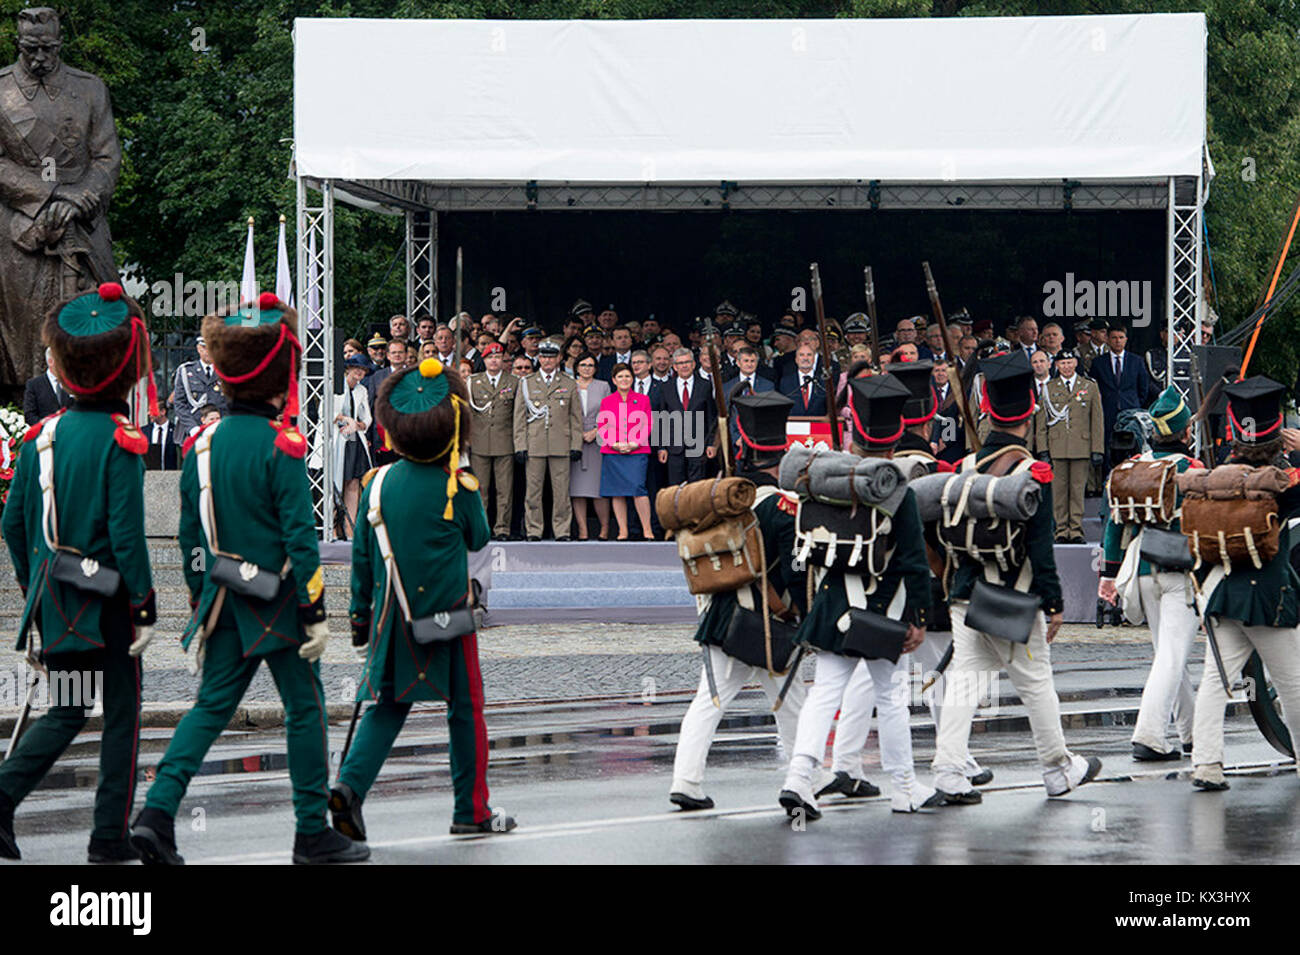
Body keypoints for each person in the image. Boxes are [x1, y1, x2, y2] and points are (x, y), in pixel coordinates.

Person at [131, 292, 366, 866]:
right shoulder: (282, 445)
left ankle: (156, 813)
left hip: (222, 599)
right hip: (280, 601)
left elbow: (190, 539)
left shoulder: (200, 445)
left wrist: (200, 599)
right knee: (306, 709)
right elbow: (299, 538)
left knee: (208, 709)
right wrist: (314, 610)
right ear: (279, 376)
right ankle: (311, 830)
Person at [0, 282, 158, 863]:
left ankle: (2, 797)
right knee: (122, 713)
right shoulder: (122, 439)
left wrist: (33, 583)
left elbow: (14, 526)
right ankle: (107, 837)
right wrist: (144, 604)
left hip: (56, 598)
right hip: (110, 600)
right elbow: (124, 535)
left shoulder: (41, 437)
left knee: (66, 708)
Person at [328, 356, 516, 842]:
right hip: (449, 617)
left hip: (392, 618)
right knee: (465, 708)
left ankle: (349, 787)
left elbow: (362, 560)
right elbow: (480, 543)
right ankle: (471, 811)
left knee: (387, 705)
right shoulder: (460, 485)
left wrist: (358, 620)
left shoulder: (378, 484)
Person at [931, 350, 1102, 805]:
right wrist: (1055, 601)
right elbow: (1041, 548)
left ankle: (948, 769)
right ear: (1030, 409)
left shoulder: (966, 467)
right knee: (1036, 681)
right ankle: (1058, 768)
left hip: (967, 593)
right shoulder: (1033, 472)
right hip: (1014, 596)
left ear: (987, 407)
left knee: (965, 682)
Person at [778, 374, 941, 818]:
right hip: (882, 607)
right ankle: (905, 786)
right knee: (889, 698)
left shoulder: (831, 479)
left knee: (825, 692)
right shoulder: (899, 490)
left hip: (834, 602)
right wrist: (920, 617)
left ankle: (799, 777)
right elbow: (913, 561)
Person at [669, 391, 806, 810]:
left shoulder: (722, 500)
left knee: (708, 701)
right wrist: (804, 614)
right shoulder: (786, 508)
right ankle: (803, 783)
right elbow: (797, 572)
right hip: (770, 622)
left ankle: (686, 782)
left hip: (722, 615)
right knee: (792, 704)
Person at [1186, 377, 1300, 791]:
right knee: (1294, 685)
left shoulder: (1216, 479)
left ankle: (1207, 765)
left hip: (1221, 594)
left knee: (1216, 682)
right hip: (1270, 598)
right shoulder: (1281, 486)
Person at [1098, 386, 1200, 760]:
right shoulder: (1192, 469)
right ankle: (1149, 735)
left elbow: (1113, 525)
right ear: (1186, 433)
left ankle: (1192, 734)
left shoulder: (1131, 467)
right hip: (1179, 572)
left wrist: (1107, 576)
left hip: (1141, 570)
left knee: (1170, 655)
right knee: (1171, 658)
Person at [514, 338, 583, 541]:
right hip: (534, 444)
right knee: (533, 492)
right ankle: (534, 530)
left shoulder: (569, 383)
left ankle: (562, 530)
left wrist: (576, 445)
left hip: (561, 443)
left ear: (559, 358)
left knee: (561, 492)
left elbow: (575, 418)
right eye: (543, 356)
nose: (547, 361)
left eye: (551, 357)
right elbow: (519, 418)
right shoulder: (527, 383)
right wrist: (520, 445)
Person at [1035, 349, 1103, 543]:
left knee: (1077, 490)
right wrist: (1043, 449)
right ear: (1056, 365)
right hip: (1056, 446)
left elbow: (1097, 421)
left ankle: (1076, 530)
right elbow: (1041, 422)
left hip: (1081, 446)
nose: (1066, 367)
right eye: (1062, 363)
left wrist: (1097, 449)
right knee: (1059, 491)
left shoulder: (1089, 387)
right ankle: (1061, 530)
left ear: (1076, 363)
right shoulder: (1049, 388)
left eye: (1069, 362)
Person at [467, 342, 518, 541]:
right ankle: (481, 528)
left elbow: (517, 414)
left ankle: (502, 529)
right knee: (480, 490)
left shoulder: (514, 382)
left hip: (505, 442)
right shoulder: (473, 381)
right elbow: (468, 413)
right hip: (479, 442)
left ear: (503, 360)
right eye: (490, 357)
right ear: (484, 360)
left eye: (497, 357)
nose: (494, 361)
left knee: (505, 490)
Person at [598, 363, 653, 540]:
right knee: (617, 491)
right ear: (614, 380)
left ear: (633, 379)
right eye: (620, 377)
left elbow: (647, 424)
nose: (624, 380)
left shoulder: (643, 399)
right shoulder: (607, 401)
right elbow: (603, 425)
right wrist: (614, 443)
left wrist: (634, 443)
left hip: (637, 451)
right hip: (613, 452)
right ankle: (623, 531)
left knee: (638, 489)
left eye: (627, 376)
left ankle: (647, 530)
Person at [1092, 324, 1157, 472]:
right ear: (1107, 340)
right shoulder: (1098, 363)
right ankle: (1109, 481)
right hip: (1107, 413)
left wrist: (1134, 406)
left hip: (1131, 413)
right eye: (1114, 338)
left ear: (1126, 340)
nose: (1117, 341)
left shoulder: (1137, 361)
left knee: (1133, 448)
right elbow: (1094, 390)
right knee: (1108, 448)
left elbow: (1143, 389)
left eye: (1121, 338)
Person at [658, 348, 716, 485]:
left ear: (694, 364)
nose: (684, 366)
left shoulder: (705, 385)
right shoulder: (666, 387)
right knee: (676, 489)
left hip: (698, 446)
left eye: (687, 362)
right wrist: (661, 447)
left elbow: (711, 417)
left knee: (696, 488)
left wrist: (711, 444)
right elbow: (661, 418)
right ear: (675, 367)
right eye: (680, 363)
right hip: (674, 447)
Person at [569, 352, 611, 540]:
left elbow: (610, 413)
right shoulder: (569, 385)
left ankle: (604, 529)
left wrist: (596, 431)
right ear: (576, 367)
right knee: (576, 489)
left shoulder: (603, 386)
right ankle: (583, 529)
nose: (587, 368)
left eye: (590, 365)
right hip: (573, 441)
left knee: (598, 489)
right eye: (583, 365)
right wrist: (577, 434)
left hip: (597, 442)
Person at [334, 353, 373, 539]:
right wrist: (344, 419)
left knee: (353, 483)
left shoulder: (361, 391)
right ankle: (333, 527)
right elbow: (326, 412)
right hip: (337, 439)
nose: (360, 373)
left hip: (355, 439)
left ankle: (350, 529)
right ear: (348, 368)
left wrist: (359, 425)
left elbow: (367, 418)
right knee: (336, 482)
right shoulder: (335, 385)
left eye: (364, 371)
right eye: (357, 369)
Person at [170, 334, 227, 440]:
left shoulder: (225, 372)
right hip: (193, 431)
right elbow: (179, 403)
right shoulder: (186, 371)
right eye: (205, 348)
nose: (208, 352)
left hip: (220, 431)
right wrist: (192, 428)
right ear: (199, 348)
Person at [780, 344, 828, 417]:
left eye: (809, 355)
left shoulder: (824, 382)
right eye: (801, 355)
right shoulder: (785, 382)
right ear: (796, 359)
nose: (805, 358)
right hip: (793, 425)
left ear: (814, 359)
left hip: (817, 425)